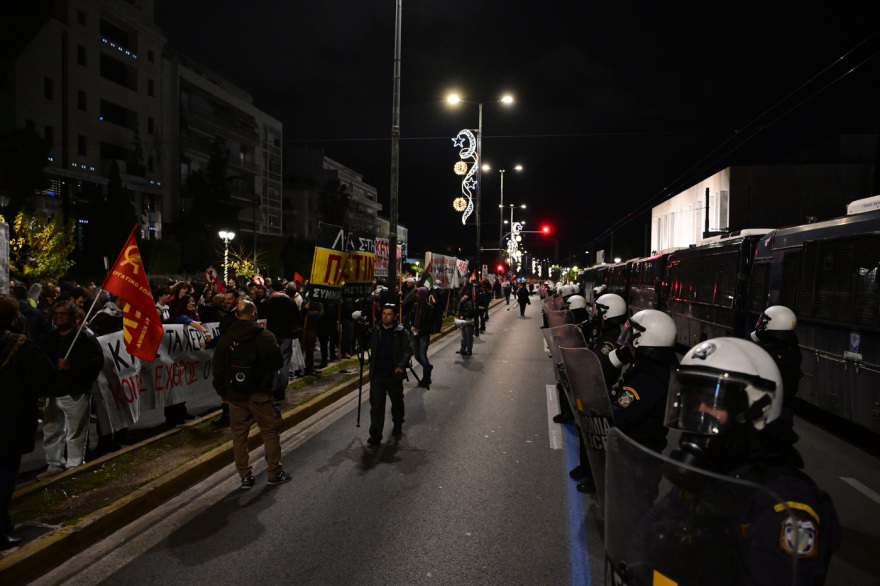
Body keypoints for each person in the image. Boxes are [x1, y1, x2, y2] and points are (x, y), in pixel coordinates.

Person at [644, 337, 841, 585]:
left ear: (756, 408)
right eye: (694, 401)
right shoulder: (710, 470)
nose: (699, 413)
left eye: (713, 403)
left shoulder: (786, 501)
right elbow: (649, 527)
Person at [0, 295, 58, 549]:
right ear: (13, 317)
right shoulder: (20, 346)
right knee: (4, 475)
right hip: (9, 422)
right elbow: (48, 381)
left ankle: (4, 524)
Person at [212, 300, 290, 489]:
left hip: (235, 395)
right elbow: (278, 362)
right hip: (260, 394)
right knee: (270, 432)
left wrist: (222, 392)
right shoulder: (265, 336)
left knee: (239, 436)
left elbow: (218, 367)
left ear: (237, 316)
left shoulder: (227, 338)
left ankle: (245, 476)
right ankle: (274, 472)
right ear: (254, 313)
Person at [38, 301, 104, 478]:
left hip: (75, 393)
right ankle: (54, 465)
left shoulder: (84, 337)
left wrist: (72, 367)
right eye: (56, 313)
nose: (59, 316)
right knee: (51, 431)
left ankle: (74, 467)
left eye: (64, 313)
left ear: (74, 317)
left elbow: (97, 362)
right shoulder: (48, 338)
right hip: (52, 393)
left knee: (75, 433)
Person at [607, 309, 678, 454]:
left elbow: (618, 417)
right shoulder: (656, 368)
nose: (628, 343)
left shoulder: (650, 379)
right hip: (639, 453)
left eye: (631, 336)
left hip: (635, 457)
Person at [367, 304, 413, 446]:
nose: (386, 316)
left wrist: (401, 366)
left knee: (397, 403)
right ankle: (375, 435)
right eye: (384, 314)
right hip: (377, 375)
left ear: (395, 316)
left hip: (393, 376)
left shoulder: (400, 332)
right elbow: (365, 344)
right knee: (376, 407)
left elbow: (408, 350)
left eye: (389, 314)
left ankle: (397, 424)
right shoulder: (376, 330)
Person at [261, 281, 302, 399]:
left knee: (272, 363)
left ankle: (275, 388)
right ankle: (282, 387)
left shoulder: (266, 303)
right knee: (284, 362)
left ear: (272, 290)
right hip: (286, 337)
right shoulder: (290, 303)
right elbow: (298, 318)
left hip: (270, 338)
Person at [409, 286, 435, 387]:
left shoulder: (429, 308)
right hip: (415, 333)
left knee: (422, 355)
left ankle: (426, 378)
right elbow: (411, 318)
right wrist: (411, 327)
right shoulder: (415, 306)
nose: (416, 296)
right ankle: (428, 367)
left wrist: (421, 331)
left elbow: (430, 324)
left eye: (418, 294)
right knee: (416, 355)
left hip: (423, 335)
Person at [456, 290, 476, 356]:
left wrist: (464, 315)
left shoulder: (469, 302)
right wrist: (461, 302)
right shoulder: (464, 302)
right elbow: (459, 309)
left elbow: (471, 311)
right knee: (463, 335)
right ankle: (463, 349)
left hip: (468, 321)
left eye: (466, 295)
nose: (464, 296)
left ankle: (468, 350)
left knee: (468, 336)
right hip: (464, 321)